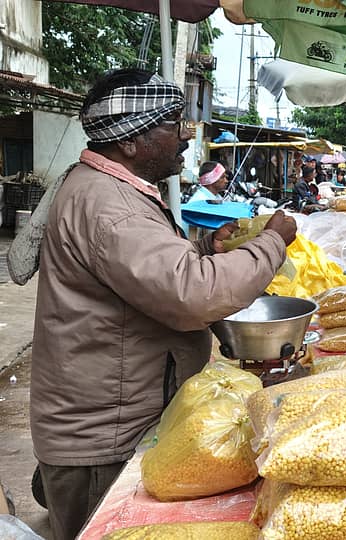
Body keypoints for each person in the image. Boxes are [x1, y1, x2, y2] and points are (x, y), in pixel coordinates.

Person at [29, 68, 298, 540]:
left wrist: (203, 250)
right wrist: (270, 244)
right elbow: (193, 295)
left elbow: (144, 271)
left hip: (112, 415)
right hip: (103, 435)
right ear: (131, 141)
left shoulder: (114, 192)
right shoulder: (111, 205)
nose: (185, 137)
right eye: (174, 124)